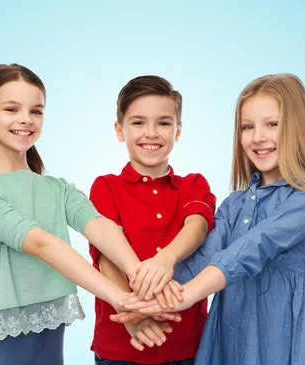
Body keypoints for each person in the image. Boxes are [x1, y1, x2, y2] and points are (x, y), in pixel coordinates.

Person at [117, 73, 305, 365]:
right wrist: (146, 297)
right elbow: (202, 259)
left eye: (272, 124)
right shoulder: (234, 204)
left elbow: (253, 248)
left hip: (283, 341)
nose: (258, 137)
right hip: (229, 337)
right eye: (247, 127)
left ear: (298, 128)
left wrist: (183, 297)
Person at [0, 63, 152, 365]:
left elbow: (99, 226)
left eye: (36, 111)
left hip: (49, 334)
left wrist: (141, 276)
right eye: (11, 109)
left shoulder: (56, 188)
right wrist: (120, 298)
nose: (26, 119)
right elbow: (42, 245)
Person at [89, 75, 216, 365]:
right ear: (119, 130)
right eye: (138, 122)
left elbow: (196, 227)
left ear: (178, 130)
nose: (152, 133)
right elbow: (106, 257)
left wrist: (166, 259)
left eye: (163, 123)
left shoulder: (194, 185)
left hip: (188, 344)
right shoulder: (106, 187)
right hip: (120, 345)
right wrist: (132, 316)